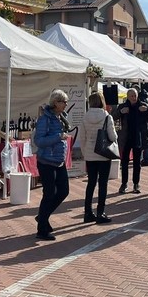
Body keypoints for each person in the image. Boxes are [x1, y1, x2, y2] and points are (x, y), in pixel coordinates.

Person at [34, 89, 72, 241]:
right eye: (64, 101)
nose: (66, 104)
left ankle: (42, 216)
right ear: (55, 103)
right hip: (46, 161)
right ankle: (41, 229)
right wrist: (58, 137)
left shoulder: (61, 117)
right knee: (49, 193)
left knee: (63, 191)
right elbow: (39, 141)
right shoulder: (45, 119)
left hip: (59, 160)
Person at [81, 91, 117, 224]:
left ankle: (88, 212)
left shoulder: (85, 117)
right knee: (103, 184)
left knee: (91, 183)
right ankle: (100, 212)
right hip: (103, 154)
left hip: (90, 154)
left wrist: (86, 153)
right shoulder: (107, 117)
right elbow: (112, 137)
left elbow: (82, 137)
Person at [113, 87, 148, 194]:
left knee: (137, 163)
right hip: (125, 138)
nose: (134, 98)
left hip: (138, 137)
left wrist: (147, 110)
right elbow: (112, 117)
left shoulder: (143, 105)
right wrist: (121, 112)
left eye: (135, 96)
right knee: (124, 162)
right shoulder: (123, 106)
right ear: (128, 97)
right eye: (132, 96)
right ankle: (124, 184)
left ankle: (136, 183)